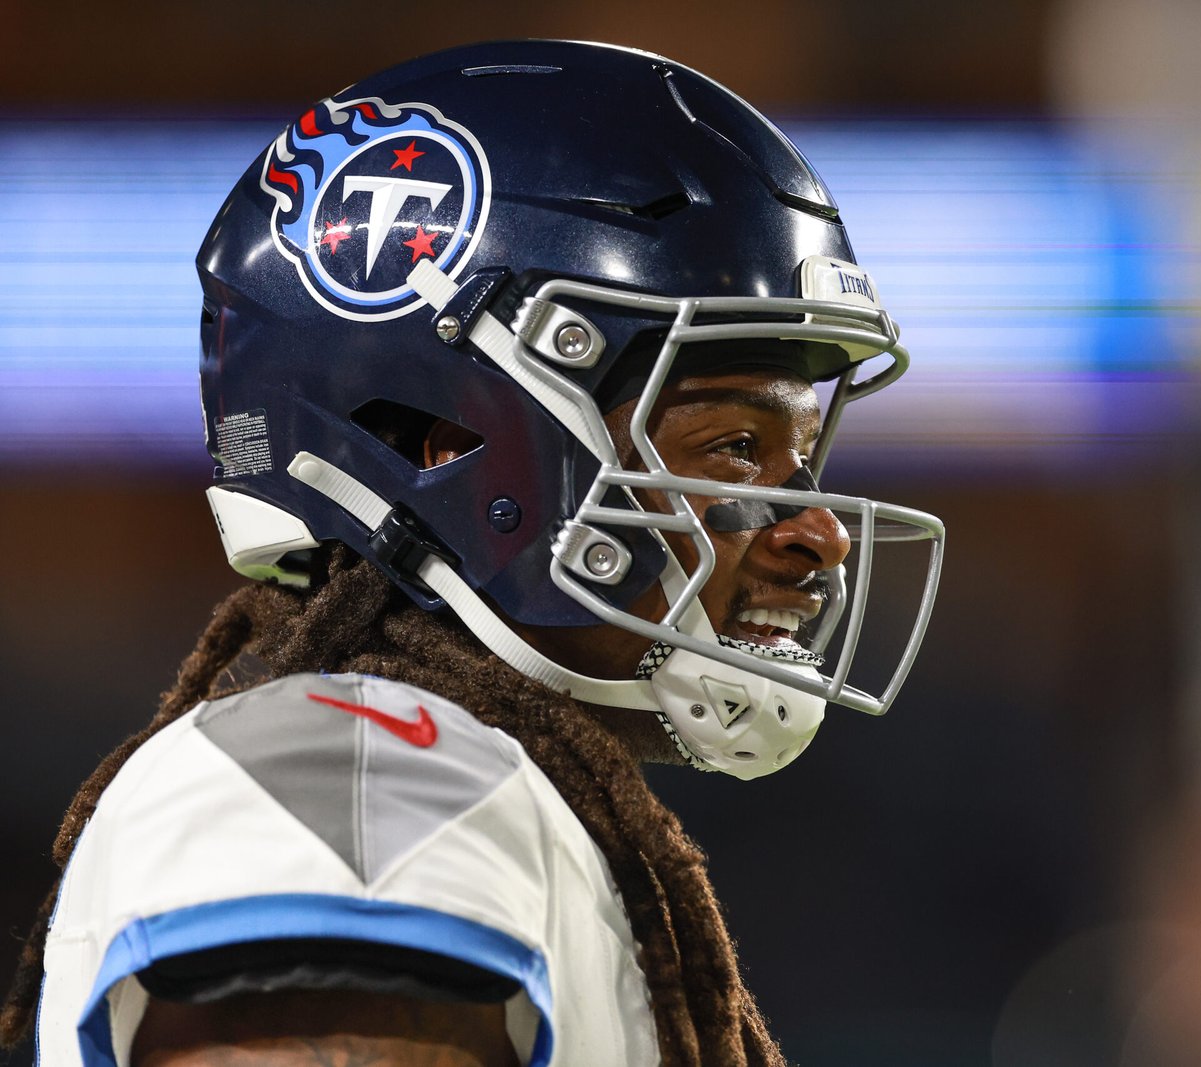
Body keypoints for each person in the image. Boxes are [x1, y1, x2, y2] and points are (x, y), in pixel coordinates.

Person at [0, 40, 944, 1067]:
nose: (818, 530)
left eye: (798, 455)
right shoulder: (346, 777)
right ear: (442, 442)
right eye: (732, 449)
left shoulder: (495, 781)